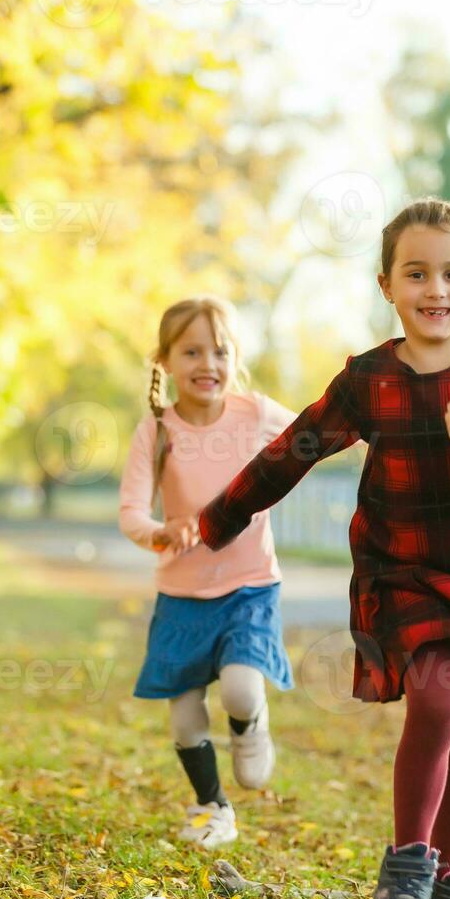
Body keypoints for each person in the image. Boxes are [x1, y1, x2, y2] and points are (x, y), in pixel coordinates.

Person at [198, 198, 450, 899]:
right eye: (417, 273)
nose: (436, 289)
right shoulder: (370, 379)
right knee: (437, 699)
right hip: (399, 572)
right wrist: (222, 516)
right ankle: (406, 864)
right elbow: (295, 448)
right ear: (387, 286)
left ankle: (447, 887)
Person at [118, 295, 298, 849]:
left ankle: (251, 727)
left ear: (235, 357)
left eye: (219, 351)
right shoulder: (157, 431)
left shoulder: (255, 413)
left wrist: (379, 429)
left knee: (242, 690)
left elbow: (319, 438)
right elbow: (130, 512)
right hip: (182, 593)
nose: (207, 364)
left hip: (249, 586)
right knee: (184, 716)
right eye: (191, 352)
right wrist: (160, 533)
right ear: (165, 361)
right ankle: (210, 807)